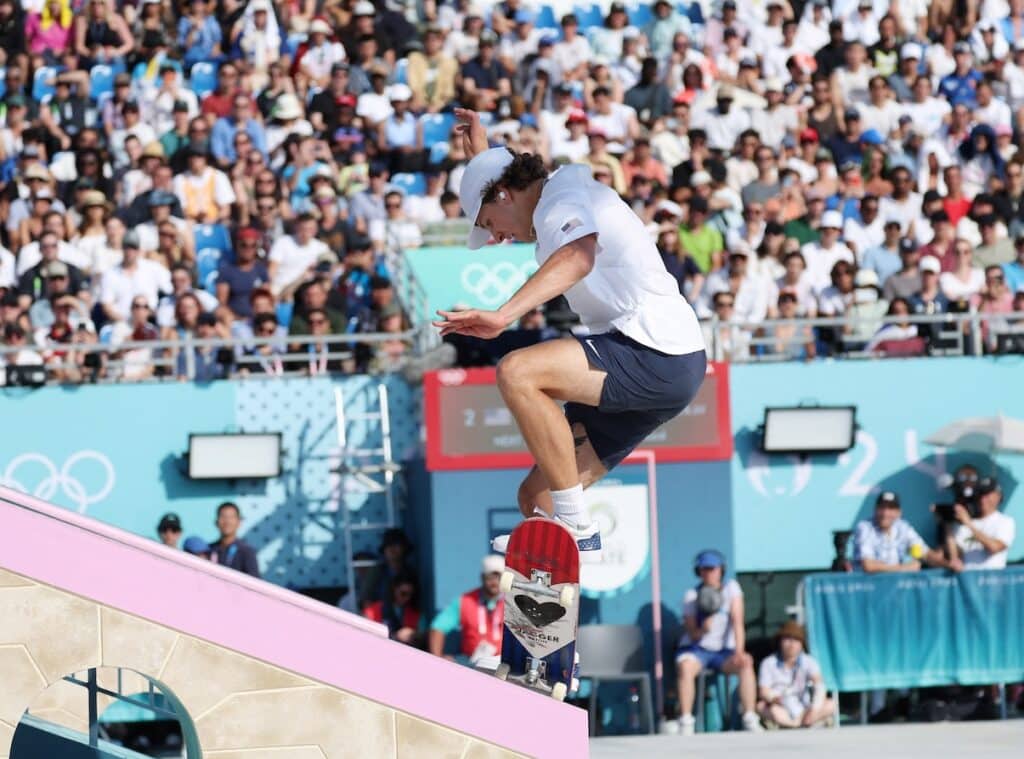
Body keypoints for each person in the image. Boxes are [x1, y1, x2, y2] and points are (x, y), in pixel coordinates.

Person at [434, 108, 707, 560]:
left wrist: (503, 315)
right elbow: (501, 189)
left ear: (504, 194)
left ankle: (577, 525)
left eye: (488, 224)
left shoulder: (559, 199)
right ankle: (560, 559)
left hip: (652, 349)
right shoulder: (542, 199)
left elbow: (579, 257)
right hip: (667, 365)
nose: (497, 237)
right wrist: (481, 157)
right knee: (537, 501)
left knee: (519, 372)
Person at [675, 549, 762, 734]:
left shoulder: (732, 589)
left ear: (721, 570)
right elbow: (692, 634)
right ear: (698, 572)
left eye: (712, 568)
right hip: (698, 649)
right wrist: (703, 628)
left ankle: (749, 718)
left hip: (724, 653)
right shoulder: (691, 595)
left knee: (746, 664)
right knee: (685, 668)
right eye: (704, 569)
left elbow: (738, 622)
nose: (709, 573)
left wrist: (739, 652)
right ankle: (686, 721)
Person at [429, 554, 505, 666]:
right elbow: (438, 627)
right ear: (482, 577)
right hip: (470, 661)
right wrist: (436, 660)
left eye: (499, 577)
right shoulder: (465, 600)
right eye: (490, 577)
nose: (494, 582)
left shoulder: (512, 602)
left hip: (501, 663)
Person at [757, 621, 835, 729]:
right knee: (762, 707)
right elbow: (763, 691)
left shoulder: (809, 661)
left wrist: (814, 710)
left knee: (831, 704)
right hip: (780, 707)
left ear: (801, 644)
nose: (791, 643)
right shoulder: (768, 663)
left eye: (796, 639)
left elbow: (819, 686)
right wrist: (775, 698)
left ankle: (805, 721)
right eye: (787, 639)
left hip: (805, 708)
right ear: (780, 641)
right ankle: (796, 724)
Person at [853, 491, 956, 572]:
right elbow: (869, 566)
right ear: (875, 509)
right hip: (867, 591)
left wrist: (949, 564)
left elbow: (925, 554)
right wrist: (904, 568)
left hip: (895, 590)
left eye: (891, 508)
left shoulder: (903, 528)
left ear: (899, 513)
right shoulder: (865, 527)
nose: (885, 513)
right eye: (882, 507)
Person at [946, 477, 1016, 570]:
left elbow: (994, 548)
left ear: (998, 496)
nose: (983, 499)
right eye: (980, 494)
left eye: (987, 494)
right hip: (968, 581)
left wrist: (968, 523)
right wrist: (946, 525)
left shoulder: (1005, 522)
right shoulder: (965, 523)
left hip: (991, 581)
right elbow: (958, 554)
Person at [363, 571, 426, 647]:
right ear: (394, 589)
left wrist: (414, 635)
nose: (407, 598)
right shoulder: (372, 611)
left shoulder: (416, 612)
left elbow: (424, 636)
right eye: (403, 593)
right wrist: (395, 636)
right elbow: (366, 638)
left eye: (411, 595)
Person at [209, 501, 260, 577]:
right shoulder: (209, 549)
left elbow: (255, 582)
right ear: (216, 522)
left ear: (239, 522)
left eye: (231, 517)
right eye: (223, 517)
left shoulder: (246, 552)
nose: (227, 521)